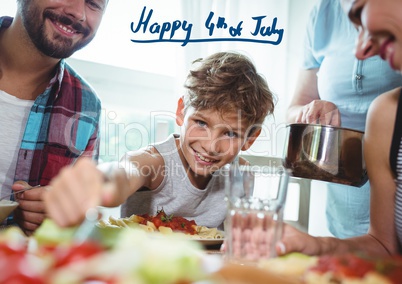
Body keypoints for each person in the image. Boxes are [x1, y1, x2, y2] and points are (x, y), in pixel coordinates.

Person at [44, 51, 276, 229]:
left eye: (230, 134)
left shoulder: (241, 174)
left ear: (250, 138)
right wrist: (98, 182)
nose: (210, 146)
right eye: (201, 123)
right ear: (181, 112)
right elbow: (127, 172)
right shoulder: (156, 162)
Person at [276, 0, 402, 257]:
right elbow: (384, 246)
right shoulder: (386, 114)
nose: (360, 50)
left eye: (361, 12)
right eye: (356, 24)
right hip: (348, 206)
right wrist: (319, 245)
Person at [0, 0, 108, 235]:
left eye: (94, 3)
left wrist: (62, 215)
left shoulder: (87, 107)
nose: (78, 13)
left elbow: (80, 218)